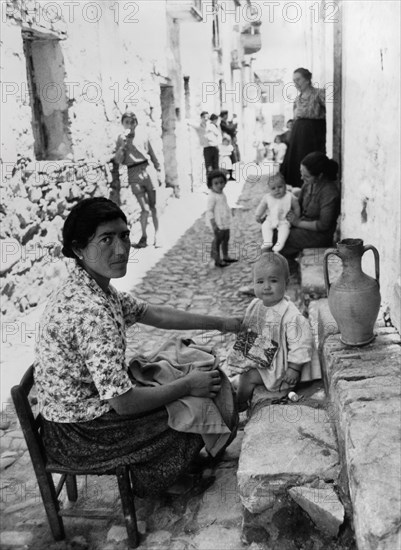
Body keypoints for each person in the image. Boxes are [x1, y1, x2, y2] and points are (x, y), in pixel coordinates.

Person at [34, 198, 240, 497]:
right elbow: (124, 404)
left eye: (124, 236)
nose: (121, 249)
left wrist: (222, 323)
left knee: (182, 369)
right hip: (79, 436)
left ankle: (163, 468)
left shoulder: (96, 286)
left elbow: (153, 313)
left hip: (82, 413)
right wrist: (187, 386)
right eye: (106, 239)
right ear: (79, 250)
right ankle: (156, 480)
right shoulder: (90, 312)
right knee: (194, 406)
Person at [227, 252, 315, 411]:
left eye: (273, 281)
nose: (266, 287)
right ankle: (239, 384)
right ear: (253, 283)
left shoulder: (290, 315)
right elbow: (252, 324)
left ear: (285, 283)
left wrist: (294, 369)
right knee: (241, 367)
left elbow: (301, 343)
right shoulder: (256, 303)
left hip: (279, 367)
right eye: (260, 281)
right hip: (262, 353)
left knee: (248, 376)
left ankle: (240, 405)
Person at [280, 152, 341, 266]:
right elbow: (298, 205)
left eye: (306, 176)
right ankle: (284, 265)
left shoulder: (329, 193)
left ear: (320, 176)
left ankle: (283, 268)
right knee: (273, 228)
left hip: (318, 235)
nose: (302, 178)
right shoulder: (308, 185)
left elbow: (323, 225)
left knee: (279, 237)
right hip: (303, 225)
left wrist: (297, 223)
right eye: (301, 173)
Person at [114, 111, 163, 249]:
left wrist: (158, 170)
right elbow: (119, 161)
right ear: (123, 124)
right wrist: (123, 146)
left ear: (136, 123)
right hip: (133, 172)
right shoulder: (120, 138)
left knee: (153, 206)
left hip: (147, 169)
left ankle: (158, 234)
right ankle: (144, 236)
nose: (129, 125)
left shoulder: (143, 135)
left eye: (132, 122)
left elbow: (152, 154)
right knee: (144, 208)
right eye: (126, 122)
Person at [280, 68, 326, 188]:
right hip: (298, 136)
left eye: (298, 79)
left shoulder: (319, 94)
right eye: (294, 80)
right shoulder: (297, 99)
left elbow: (328, 114)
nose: (296, 83)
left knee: (311, 162)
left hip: (313, 134)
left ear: (307, 79)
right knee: (296, 163)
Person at [255, 174, 300, 252]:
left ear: (285, 186)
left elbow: (296, 207)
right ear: (269, 189)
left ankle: (279, 244)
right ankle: (267, 241)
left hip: (284, 220)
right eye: (273, 188)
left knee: (284, 231)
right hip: (270, 219)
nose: (277, 190)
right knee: (265, 227)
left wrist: (296, 216)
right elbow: (262, 206)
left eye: (280, 187)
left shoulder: (290, 197)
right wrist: (258, 215)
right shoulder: (267, 197)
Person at [206, 170, 238, 268]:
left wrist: (230, 212)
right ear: (210, 185)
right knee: (217, 241)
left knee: (226, 239)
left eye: (221, 182)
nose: (219, 185)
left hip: (225, 222)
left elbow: (223, 205)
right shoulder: (212, 197)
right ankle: (217, 259)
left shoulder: (222, 193)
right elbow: (210, 211)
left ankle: (225, 256)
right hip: (218, 223)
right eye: (216, 183)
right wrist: (213, 224)